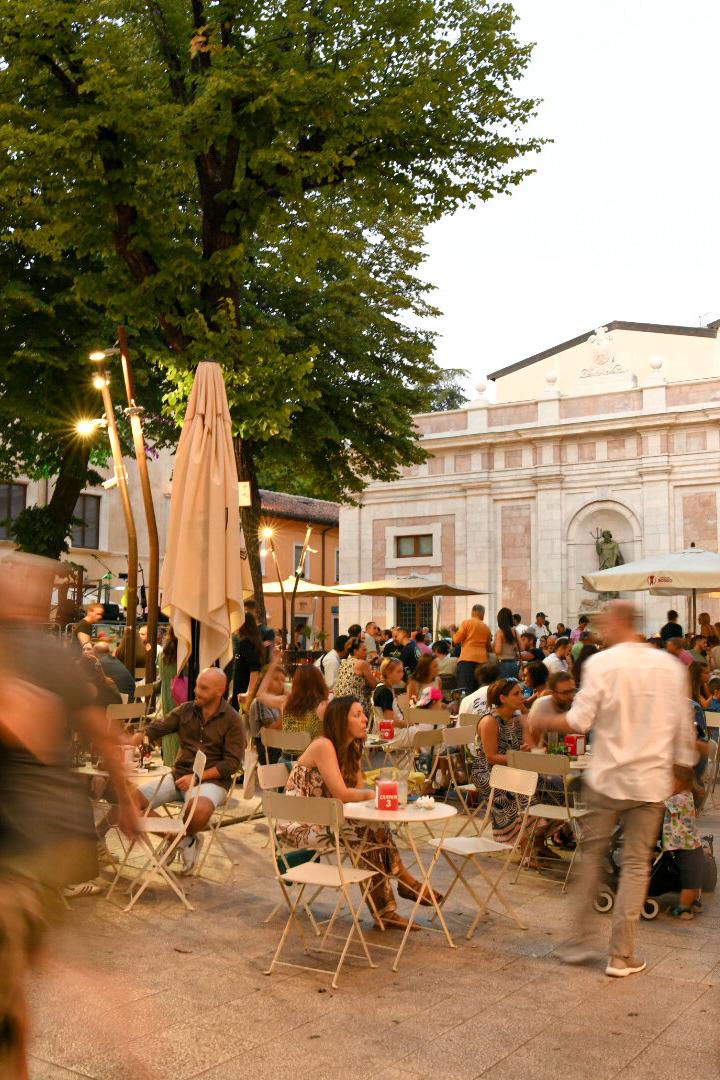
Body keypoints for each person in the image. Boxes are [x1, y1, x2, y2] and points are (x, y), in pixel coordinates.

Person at [0, 553, 137, 1078]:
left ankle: (122, 1033)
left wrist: (125, 797)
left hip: (28, 843)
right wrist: (124, 799)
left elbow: (64, 728)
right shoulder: (39, 652)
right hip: (35, 839)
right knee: (16, 987)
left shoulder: (42, 656)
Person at [528, 600, 697, 978]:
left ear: (618, 623)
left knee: (591, 858)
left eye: (605, 621)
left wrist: (541, 719)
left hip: (606, 778)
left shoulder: (602, 664)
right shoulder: (668, 666)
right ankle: (621, 956)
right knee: (636, 866)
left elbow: (578, 720)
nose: (601, 628)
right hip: (650, 781)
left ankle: (578, 944)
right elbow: (682, 723)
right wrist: (682, 769)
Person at [277, 696, 441, 930]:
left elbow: (358, 789)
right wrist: (376, 794)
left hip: (326, 818)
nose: (365, 719)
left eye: (363, 714)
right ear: (339, 721)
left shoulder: (351, 746)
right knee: (366, 834)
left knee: (371, 830)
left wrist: (371, 794)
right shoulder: (323, 745)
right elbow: (343, 793)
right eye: (357, 715)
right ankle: (401, 884)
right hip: (299, 824)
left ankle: (391, 903)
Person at [130, 667, 245, 874]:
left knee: (198, 809)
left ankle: (179, 840)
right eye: (197, 685)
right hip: (179, 775)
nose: (196, 691)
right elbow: (156, 728)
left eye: (203, 688)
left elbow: (232, 764)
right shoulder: (185, 710)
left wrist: (198, 776)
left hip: (212, 781)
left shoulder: (233, 720)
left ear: (220, 691)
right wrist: (130, 742)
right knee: (130, 801)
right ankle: (181, 840)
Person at [471, 678, 539, 851]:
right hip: (487, 772)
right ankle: (525, 848)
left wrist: (525, 715)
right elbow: (491, 757)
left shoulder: (516, 718)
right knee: (522, 792)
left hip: (512, 768)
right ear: (502, 698)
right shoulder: (490, 721)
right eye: (516, 694)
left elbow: (532, 744)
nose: (521, 696)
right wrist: (517, 756)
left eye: (521, 692)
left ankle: (539, 841)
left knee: (550, 785)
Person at [662, 765, 705, 919]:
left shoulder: (680, 798)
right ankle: (693, 902)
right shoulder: (685, 795)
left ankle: (684, 907)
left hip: (689, 849)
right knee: (692, 879)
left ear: (680, 783)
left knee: (689, 881)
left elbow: (660, 804)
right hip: (689, 847)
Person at [332, 636, 380, 717]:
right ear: (355, 651)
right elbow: (374, 684)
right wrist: (381, 679)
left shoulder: (344, 662)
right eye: (364, 650)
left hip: (338, 701)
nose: (366, 652)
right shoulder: (362, 663)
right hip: (353, 702)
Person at [248, 660, 285, 762]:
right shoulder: (260, 702)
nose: (280, 683)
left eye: (283, 680)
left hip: (281, 747)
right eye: (276, 679)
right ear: (265, 681)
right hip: (268, 751)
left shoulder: (278, 701)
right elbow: (270, 731)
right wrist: (285, 713)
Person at [227, 613, 265, 710]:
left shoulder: (246, 643)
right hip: (241, 693)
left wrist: (249, 693)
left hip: (243, 696)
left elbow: (254, 669)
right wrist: (234, 693)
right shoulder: (251, 642)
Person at [156, 626, 182, 767]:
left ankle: (169, 762)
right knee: (181, 727)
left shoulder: (164, 653)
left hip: (167, 694)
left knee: (169, 728)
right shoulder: (184, 653)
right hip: (180, 693)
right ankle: (177, 764)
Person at [453, 604, 492, 693]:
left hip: (467, 659)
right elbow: (489, 648)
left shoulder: (466, 623)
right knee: (478, 689)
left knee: (465, 689)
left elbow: (456, 640)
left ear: (472, 612)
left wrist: (453, 634)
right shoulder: (486, 627)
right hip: (482, 662)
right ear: (481, 613)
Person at [282, 665, 329, 739]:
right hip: (313, 749)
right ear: (319, 683)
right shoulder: (322, 706)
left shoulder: (287, 704)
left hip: (288, 749)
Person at [493, 607, 521, 679]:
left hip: (503, 664)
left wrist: (493, 647)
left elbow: (498, 650)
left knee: (504, 688)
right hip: (514, 664)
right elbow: (522, 647)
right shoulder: (515, 631)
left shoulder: (500, 632)